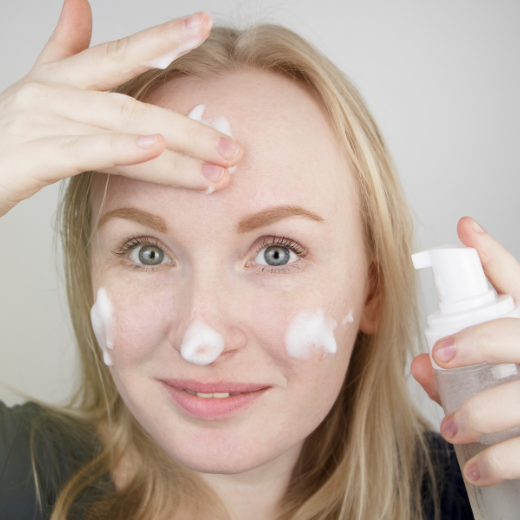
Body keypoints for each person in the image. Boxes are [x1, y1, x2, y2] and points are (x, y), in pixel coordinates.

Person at [1, 0, 519, 518]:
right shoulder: (16, 474)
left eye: (276, 253)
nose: (200, 339)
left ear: (372, 290)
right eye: (148, 252)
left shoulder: (483, 495)